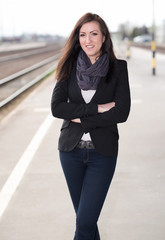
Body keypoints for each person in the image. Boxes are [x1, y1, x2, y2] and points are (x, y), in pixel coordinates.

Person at [51, 12, 131, 240]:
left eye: (94, 34)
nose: (88, 40)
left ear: (104, 37)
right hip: (70, 152)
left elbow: (121, 112)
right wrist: (97, 109)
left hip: (102, 154)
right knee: (85, 220)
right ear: (78, 38)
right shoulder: (68, 67)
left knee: (85, 221)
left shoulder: (118, 69)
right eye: (83, 35)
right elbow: (57, 108)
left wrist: (80, 117)